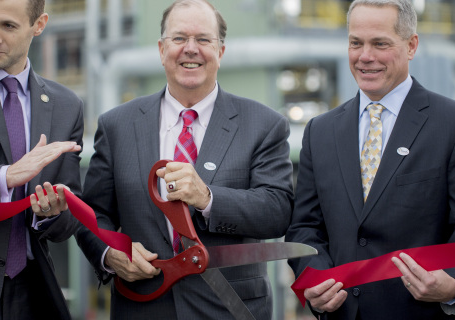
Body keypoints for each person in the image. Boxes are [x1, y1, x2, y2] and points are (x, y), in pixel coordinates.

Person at [75, 0, 293, 319]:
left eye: (203, 39)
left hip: (230, 308)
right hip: (143, 306)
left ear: (220, 52)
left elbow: (278, 210)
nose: (190, 49)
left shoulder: (264, 124)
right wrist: (110, 253)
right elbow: (93, 214)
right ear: (162, 50)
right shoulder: (117, 126)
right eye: (179, 39)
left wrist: (207, 198)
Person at [285, 0, 455, 319]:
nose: (365, 56)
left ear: (411, 46)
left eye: (380, 43)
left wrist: (454, 285)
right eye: (356, 43)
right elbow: (305, 227)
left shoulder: (452, 123)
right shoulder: (320, 131)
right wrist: (314, 280)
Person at [0, 0, 84, 319]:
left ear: (39, 25)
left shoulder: (66, 106)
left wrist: (51, 213)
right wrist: (5, 177)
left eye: (8, 26)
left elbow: (70, 213)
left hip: (32, 292)